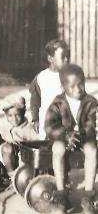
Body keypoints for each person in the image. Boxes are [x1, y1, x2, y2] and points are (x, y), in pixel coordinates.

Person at [45, 64, 97, 214]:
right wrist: (65, 134)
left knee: (92, 151)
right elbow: (49, 125)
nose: (78, 88)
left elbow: (92, 123)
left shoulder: (90, 102)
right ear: (63, 87)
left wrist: (81, 134)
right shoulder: (58, 103)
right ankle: (61, 193)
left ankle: (88, 196)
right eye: (73, 85)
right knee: (57, 149)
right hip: (64, 138)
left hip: (84, 138)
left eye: (81, 84)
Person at [29, 39, 68, 139]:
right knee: (47, 149)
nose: (66, 59)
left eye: (67, 56)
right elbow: (35, 100)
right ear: (50, 58)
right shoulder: (41, 77)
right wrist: (35, 119)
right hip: (47, 123)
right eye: (62, 57)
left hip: (65, 123)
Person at [0, 96, 39, 173]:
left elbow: (35, 144)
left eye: (17, 115)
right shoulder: (5, 128)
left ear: (23, 113)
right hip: (10, 157)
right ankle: (11, 174)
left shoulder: (29, 128)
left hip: (26, 158)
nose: (14, 118)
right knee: (6, 148)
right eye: (10, 116)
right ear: (6, 116)